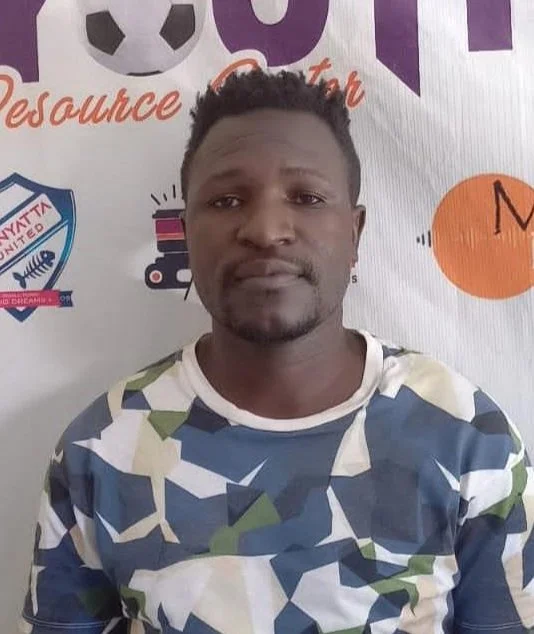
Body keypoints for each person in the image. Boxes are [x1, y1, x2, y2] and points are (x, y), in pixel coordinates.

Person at [20, 69, 533, 634]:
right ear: (185, 232)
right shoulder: (101, 449)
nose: (265, 230)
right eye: (226, 200)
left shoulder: (466, 437)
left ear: (355, 232)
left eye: (307, 197)